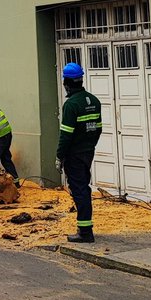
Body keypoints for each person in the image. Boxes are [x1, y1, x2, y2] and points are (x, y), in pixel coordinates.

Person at [56, 62, 103, 242]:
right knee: (84, 188)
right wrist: (89, 145)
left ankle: (85, 232)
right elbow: (98, 129)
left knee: (79, 191)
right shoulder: (93, 101)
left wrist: (60, 156)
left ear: (66, 82)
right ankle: (85, 227)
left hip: (74, 155)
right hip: (87, 152)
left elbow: (65, 135)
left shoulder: (71, 105)